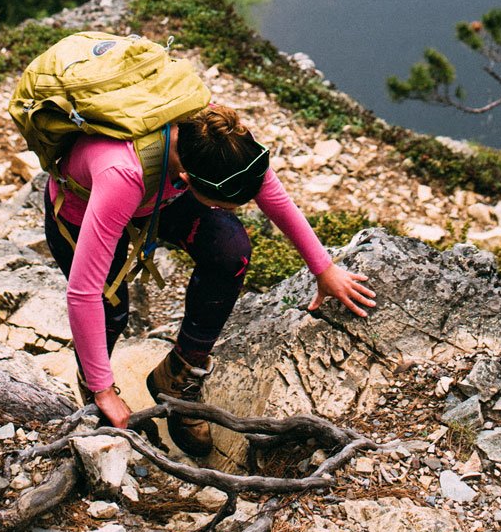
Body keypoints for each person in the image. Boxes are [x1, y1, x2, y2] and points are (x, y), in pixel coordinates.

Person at [44, 102, 375, 457]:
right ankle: (96, 398)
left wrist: (323, 269)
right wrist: (102, 389)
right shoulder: (121, 171)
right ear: (188, 180)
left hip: (159, 197)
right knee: (112, 310)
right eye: (224, 204)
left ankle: (176, 378)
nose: (230, 210)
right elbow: (83, 292)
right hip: (86, 206)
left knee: (230, 251)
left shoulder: (216, 137)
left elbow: (271, 193)